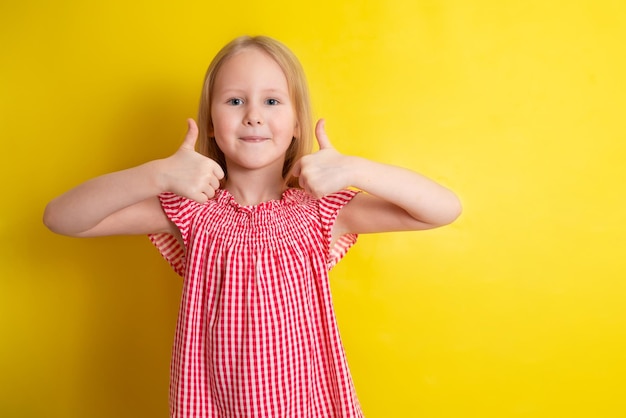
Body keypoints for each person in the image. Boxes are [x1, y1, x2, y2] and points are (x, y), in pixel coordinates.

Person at [44, 35, 462, 418]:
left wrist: (355, 168)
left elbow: (443, 209)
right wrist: (155, 175)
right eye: (235, 101)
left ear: (298, 123)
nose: (253, 117)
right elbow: (62, 218)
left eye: (273, 102)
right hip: (211, 404)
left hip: (307, 405)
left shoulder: (319, 212)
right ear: (210, 122)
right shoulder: (191, 211)